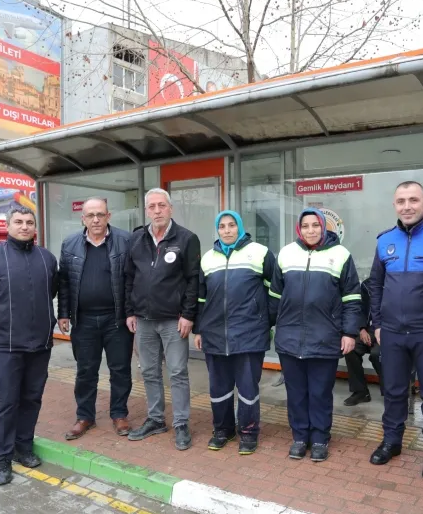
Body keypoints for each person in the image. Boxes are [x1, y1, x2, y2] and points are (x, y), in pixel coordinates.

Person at [0, 206, 59, 486]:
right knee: (4, 402)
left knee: (31, 398)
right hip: (3, 345)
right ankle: (1, 458)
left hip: (40, 344)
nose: (25, 226)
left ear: (35, 227)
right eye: (18, 222)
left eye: (29, 222)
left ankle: (23, 447)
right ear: (8, 226)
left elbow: (50, 291)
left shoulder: (47, 258)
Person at [369, 181, 423, 479]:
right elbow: (376, 286)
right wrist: (378, 324)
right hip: (392, 332)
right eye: (401, 201)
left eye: (413, 200)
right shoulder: (384, 240)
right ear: (395, 205)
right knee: (393, 392)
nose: (407, 206)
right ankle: (392, 441)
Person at [269, 208, 361, 462]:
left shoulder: (341, 255)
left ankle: (320, 437)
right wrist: (271, 326)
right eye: (306, 226)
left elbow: (352, 297)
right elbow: (275, 296)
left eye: (315, 225)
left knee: (320, 392)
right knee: (296, 392)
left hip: (325, 337)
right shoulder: (286, 254)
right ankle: (300, 436)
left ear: (324, 227)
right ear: (299, 229)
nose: (311, 230)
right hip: (289, 338)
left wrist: (349, 332)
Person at [124, 188, 201, 451]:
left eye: (161, 206)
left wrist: (189, 315)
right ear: (146, 210)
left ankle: (181, 423)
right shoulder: (136, 239)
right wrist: (129, 312)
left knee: (178, 372)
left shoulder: (187, 239)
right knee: (149, 371)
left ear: (171, 209)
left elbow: (193, 281)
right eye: (152, 207)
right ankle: (156, 419)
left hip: (173, 320)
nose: (157, 211)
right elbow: (128, 278)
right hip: (143, 319)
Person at [194, 210, 276, 454]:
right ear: (217, 230)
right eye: (222, 226)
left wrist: (266, 322)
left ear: (239, 227)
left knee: (248, 388)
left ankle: (249, 432)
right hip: (214, 334)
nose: (227, 230)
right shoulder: (207, 258)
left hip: (250, 334)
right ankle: (223, 430)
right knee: (218, 388)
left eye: (231, 225)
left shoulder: (260, 253)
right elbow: (200, 298)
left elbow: (275, 293)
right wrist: (199, 329)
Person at [57, 197, 134, 440]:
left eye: (100, 214)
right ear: (83, 219)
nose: (96, 219)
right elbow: (65, 283)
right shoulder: (70, 244)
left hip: (117, 320)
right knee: (86, 370)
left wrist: (131, 312)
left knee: (120, 370)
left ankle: (119, 414)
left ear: (108, 216)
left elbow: (132, 280)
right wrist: (63, 313)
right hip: (84, 320)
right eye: (90, 215)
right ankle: (85, 416)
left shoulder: (125, 241)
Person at [343, 278, 384, 406]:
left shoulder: (397, 281)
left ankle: (391, 392)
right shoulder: (367, 285)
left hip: (390, 331)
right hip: (370, 330)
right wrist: (361, 328)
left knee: (378, 355)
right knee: (351, 349)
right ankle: (361, 392)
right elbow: (360, 308)